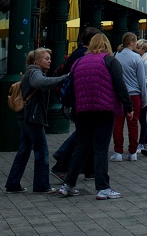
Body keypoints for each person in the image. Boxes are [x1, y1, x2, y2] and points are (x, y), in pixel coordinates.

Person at [57, 32, 133, 200]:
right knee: (100, 148)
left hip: (82, 110)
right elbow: (120, 85)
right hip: (104, 109)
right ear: (107, 45)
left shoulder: (79, 62)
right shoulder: (110, 61)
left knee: (82, 146)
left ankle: (68, 184)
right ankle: (103, 187)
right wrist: (128, 106)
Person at [5, 48, 68, 194]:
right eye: (46, 58)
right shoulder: (35, 72)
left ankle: (13, 184)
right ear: (37, 61)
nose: (50, 60)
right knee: (41, 150)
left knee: (24, 150)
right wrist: (64, 78)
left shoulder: (32, 72)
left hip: (26, 117)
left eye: (49, 58)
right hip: (32, 117)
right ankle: (41, 185)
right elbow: (41, 83)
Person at [52, 25, 100, 179]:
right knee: (84, 133)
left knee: (86, 133)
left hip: (76, 99)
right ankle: (63, 159)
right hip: (80, 100)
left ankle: (87, 167)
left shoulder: (77, 53)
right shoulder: (84, 55)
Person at [110, 32, 147, 162]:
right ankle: (132, 152)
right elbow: (141, 80)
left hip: (119, 95)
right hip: (134, 94)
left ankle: (118, 151)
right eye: (135, 41)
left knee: (118, 124)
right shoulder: (137, 58)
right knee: (133, 123)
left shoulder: (115, 56)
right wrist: (144, 98)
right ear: (131, 42)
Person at [135, 39, 147, 152]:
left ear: (144, 49)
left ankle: (143, 142)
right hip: (142, 89)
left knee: (142, 118)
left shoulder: (146, 62)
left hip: (144, 90)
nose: (136, 50)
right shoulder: (141, 60)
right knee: (141, 118)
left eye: (138, 48)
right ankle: (144, 141)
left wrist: (139, 82)